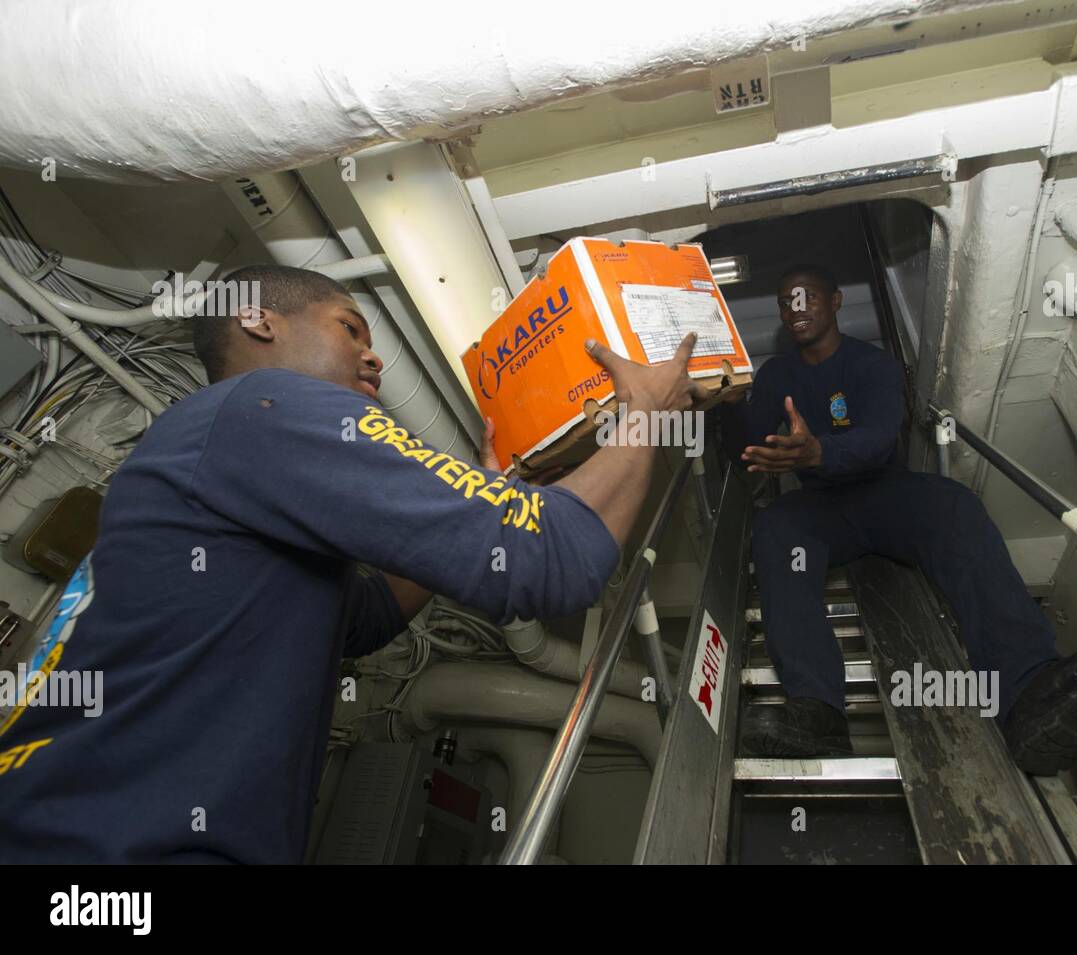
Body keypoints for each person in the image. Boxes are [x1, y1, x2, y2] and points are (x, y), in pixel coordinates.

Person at [0, 264, 700, 862]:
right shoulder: (263, 405)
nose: (374, 357)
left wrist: (490, 513)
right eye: (350, 328)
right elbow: (551, 557)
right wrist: (643, 411)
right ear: (258, 322)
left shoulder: (216, 443)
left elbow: (354, 622)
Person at [726, 263, 1077, 772]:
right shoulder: (776, 376)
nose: (796, 309)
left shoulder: (872, 365)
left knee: (953, 503)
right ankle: (817, 711)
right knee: (774, 527)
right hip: (820, 509)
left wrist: (819, 453)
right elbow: (743, 445)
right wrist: (722, 404)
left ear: (835, 302)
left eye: (807, 296)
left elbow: (880, 438)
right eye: (786, 301)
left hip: (882, 491)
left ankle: (1029, 692)